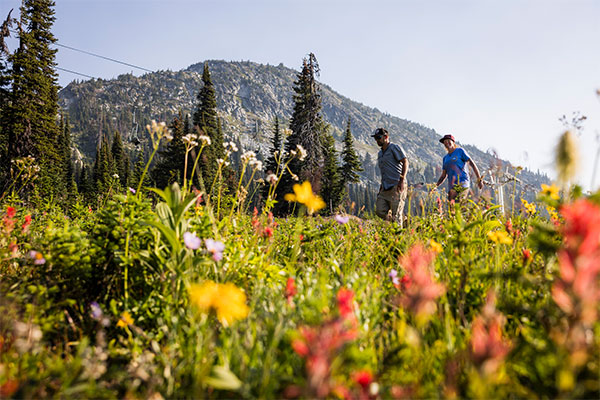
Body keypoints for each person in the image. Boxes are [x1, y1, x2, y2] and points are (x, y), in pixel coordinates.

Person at [372, 128, 409, 227]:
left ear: (386, 137)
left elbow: (405, 161)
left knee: (396, 215)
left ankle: (398, 237)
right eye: (375, 138)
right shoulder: (380, 153)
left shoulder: (394, 148)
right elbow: (384, 170)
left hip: (397, 186)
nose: (377, 140)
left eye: (379, 138)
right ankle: (402, 219)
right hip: (385, 187)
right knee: (379, 210)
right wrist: (381, 185)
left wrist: (402, 179)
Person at [434, 134, 483, 201]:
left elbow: (472, 164)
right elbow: (443, 175)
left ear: (453, 142)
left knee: (460, 202)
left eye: (448, 141)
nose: (446, 143)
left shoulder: (460, 151)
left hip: (463, 183)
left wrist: (479, 179)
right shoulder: (445, 158)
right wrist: (435, 186)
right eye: (444, 142)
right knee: (452, 209)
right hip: (452, 187)